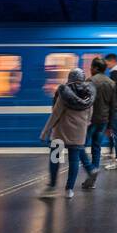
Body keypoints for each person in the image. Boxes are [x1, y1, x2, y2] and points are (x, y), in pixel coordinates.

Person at [39, 68, 98, 198]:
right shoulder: (89, 96)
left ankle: (52, 187)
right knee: (74, 161)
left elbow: (55, 114)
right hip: (78, 134)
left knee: (55, 159)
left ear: (69, 78)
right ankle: (69, 190)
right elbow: (89, 117)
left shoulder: (64, 94)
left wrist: (45, 131)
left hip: (60, 133)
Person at [86, 57, 116, 184]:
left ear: (96, 68)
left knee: (80, 147)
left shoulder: (90, 81)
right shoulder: (111, 83)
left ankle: (90, 170)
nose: (90, 69)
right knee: (96, 147)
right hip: (103, 121)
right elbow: (113, 106)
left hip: (90, 121)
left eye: (91, 67)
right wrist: (110, 126)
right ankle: (92, 180)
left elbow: (84, 102)